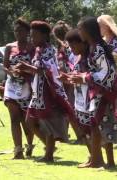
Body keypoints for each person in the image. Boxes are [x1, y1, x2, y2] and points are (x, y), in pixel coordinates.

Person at [70, 17, 117, 168]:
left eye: (80, 29)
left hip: (103, 93)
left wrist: (85, 77)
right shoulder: (93, 47)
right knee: (97, 125)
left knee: (102, 125)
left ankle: (105, 161)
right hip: (96, 91)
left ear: (88, 31)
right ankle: (98, 160)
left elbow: (107, 73)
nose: (79, 32)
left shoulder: (98, 48)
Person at [24, 21, 75, 162]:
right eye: (31, 36)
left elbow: (47, 70)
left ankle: (49, 154)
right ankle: (49, 148)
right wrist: (26, 69)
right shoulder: (39, 50)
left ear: (45, 36)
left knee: (47, 123)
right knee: (30, 122)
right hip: (38, 92)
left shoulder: (49, 50)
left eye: (35, 36)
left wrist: (27, 67)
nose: (32, 39)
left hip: (48, 91)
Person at [3, 18, 35, 159]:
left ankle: (29, 144)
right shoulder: (9, 47)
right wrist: (11, 73)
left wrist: (25, 72)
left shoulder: (32, 47)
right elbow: (5, 65)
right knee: (14, 118)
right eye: (16, 31)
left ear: (27, 32)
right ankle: (18, 150)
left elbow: (36, 67)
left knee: (26, 119)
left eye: (21, 31)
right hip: (12, 86)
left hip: (27, 86)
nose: (18, 33)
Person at [97, 15, 117, 148]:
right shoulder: (103, 41)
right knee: (109, 110)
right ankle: (114, 137)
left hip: (116, 80)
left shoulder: (116, 42)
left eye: (100, 25)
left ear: (107, 26)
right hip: (105, 81)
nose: (98, 28)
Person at [52, 21, 83, 144]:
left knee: (70, 109)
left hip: (69, 80)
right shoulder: (65, 47)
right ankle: (64, 134)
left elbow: (68, 64)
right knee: (66, 109)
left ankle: (81, 136)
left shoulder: (66, 47)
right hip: (67, 79)